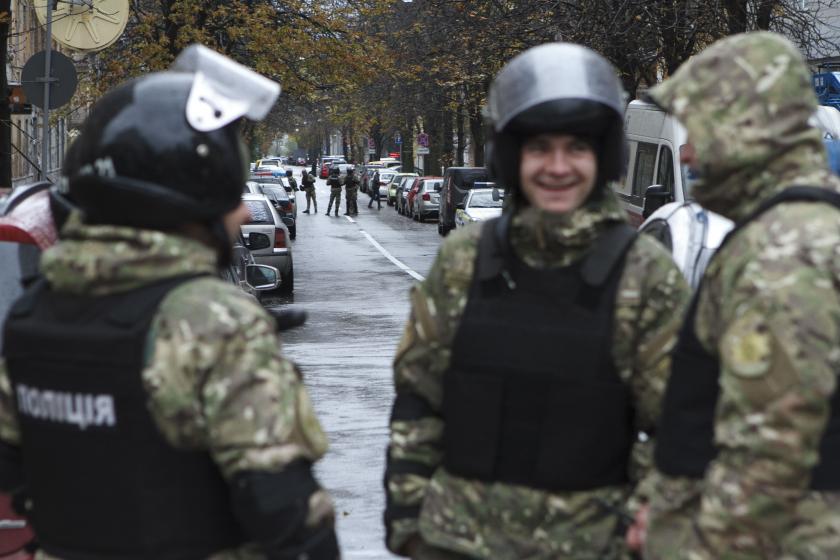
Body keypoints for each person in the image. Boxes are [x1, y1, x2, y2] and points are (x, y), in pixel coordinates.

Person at [0, 45, 339, 559]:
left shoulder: (33, 309)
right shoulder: (212, 321)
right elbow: (290, 518)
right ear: (183, 194)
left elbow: (15, 473)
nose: (245, 213)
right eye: (230, 190)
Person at [383, 42, 690, 560]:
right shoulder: (465, 261)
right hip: (458, 540)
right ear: (511, 155)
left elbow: (681, 426)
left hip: (592, 545)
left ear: (604, 156)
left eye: (577, 148)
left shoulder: (645, 274)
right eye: (539, 148)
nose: (557, 167)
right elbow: (419, 399)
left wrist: (646, 522)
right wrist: (410, 521)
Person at [628, 31, 840, 560]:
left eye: (700, 127)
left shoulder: (781, 254)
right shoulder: (789, 231)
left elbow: (769, 451)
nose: (687, 150)